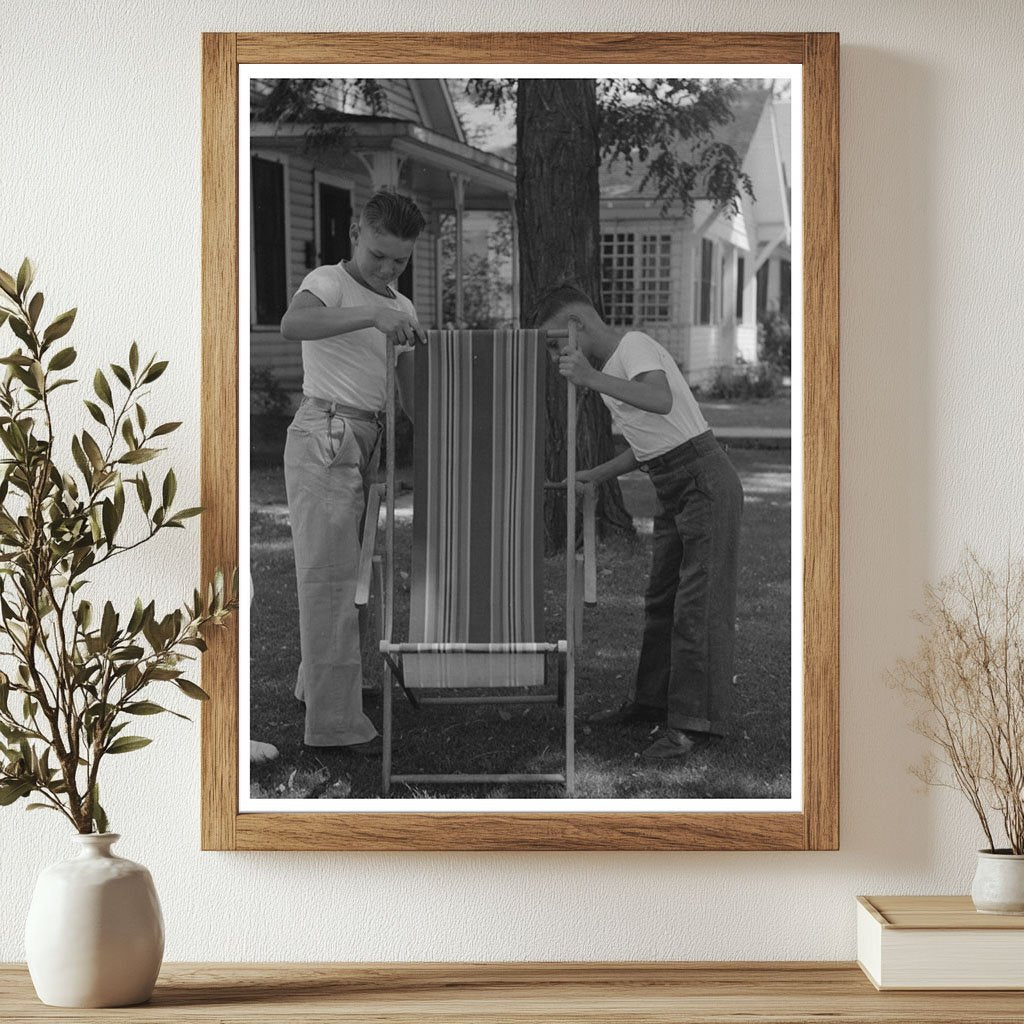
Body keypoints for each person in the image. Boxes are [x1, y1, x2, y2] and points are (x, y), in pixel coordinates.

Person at [535, 285, 743, 760]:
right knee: (661, 601)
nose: (554, 357)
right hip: (673, 482)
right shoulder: (613, 369)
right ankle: (651, 704)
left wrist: (589, 378)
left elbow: (660, 399)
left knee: (698, 605)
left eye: (555, 343)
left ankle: (690, 724)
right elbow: (650, 440)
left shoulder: (634, 347)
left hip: (704, 481)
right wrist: (598, 474)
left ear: (578, 326)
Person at [278, 190, 425, 754]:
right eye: (379, 255)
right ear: (356, 234)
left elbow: (410, 398)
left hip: (368, 441)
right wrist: (372, 311)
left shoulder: (403, 308)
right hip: (326, 434)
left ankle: (315, 689)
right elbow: (294, 325)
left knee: (348, 577)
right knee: (332, 580)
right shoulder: (329, 281)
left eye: (400, 261)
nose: (388, 268)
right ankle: (335, 725)